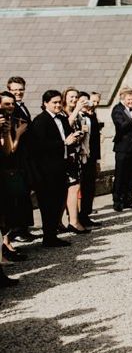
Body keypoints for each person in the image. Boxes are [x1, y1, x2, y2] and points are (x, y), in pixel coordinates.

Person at [28, 90, 76, 248]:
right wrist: (64, 143)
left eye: (59, 102)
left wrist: (75, 138)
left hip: (61, 166)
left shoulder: (62, 119)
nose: (57, 105)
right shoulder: (40, 121)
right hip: (46, 170)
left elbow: (68, 137)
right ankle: (48, 237)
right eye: (54, 102)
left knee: (58, 202)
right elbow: (39, 146)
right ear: (45, 103)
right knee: (48, 204)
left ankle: (52, 235)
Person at [0, 91, 29, 266]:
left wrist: (7, 132)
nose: (10, 107)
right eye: (6, 103)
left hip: (7, 168)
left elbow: (7, 149)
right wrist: (18, 134)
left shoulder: (8, 122)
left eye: (12, 104)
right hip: (5, 169)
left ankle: (6, 246)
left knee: (6, 212)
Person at [6, 76, 35, 242]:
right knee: (17, 194)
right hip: (14, 157)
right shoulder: (10, 109)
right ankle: (16, 231)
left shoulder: (21, 107)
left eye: (20, 89)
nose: (18, 92)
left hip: (24, 157)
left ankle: (23, 228)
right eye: (14, 90)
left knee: (24, 193)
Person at [60, 88, 89, 233]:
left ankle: (70, 220)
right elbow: (66, 126)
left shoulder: (77, 115)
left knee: (74, 187)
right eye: (71, 97)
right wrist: (77, 109)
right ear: (65, 98)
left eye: (76, 97)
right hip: (66, 155)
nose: (74, 99)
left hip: (76, 153)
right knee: (72, 188)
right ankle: (73, 222)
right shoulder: (63, 113)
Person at [79, 91, 103, 228]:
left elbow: (95, 139)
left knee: (89, 187)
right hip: (79, 156)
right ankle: (76, 216)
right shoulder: (75, 116)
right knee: (79, 188)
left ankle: (85, 214)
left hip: (91, 156)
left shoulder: (91, 116)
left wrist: (97, 159)